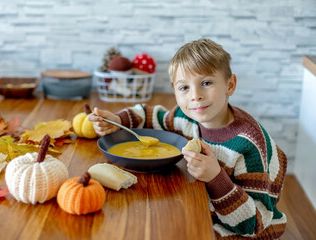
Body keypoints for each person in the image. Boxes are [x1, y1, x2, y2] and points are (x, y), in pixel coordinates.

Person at [88, 38, 287, 239]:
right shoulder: (186, 118)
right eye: (184, 88)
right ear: (174, 90)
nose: (195, 96)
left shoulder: (248, 144)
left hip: (243, 230)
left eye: (206, 83)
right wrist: (118, 119)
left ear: (230, 85)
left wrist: (216, 178)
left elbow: (253, 224)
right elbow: (151, 116)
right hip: (208, 207)